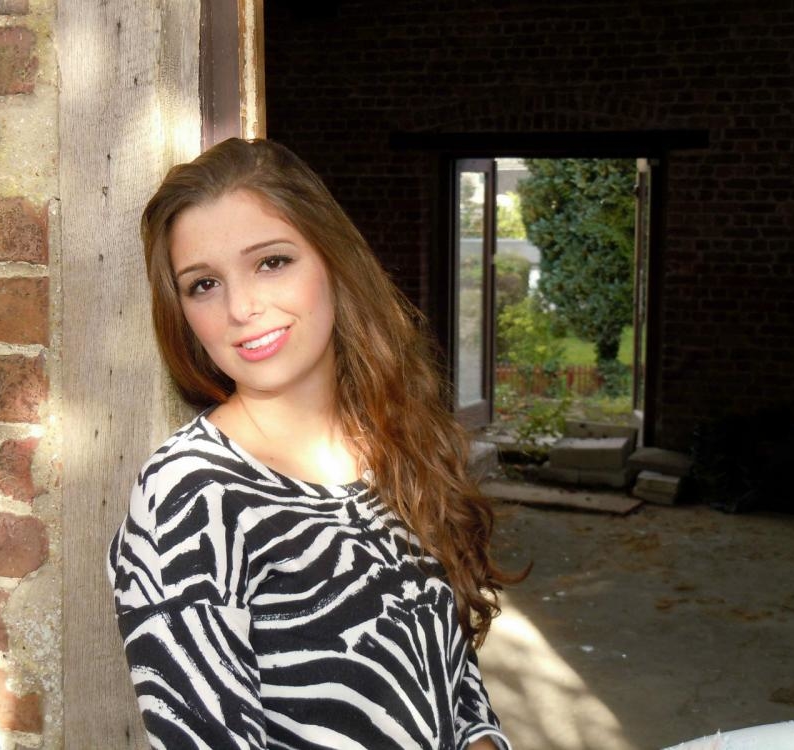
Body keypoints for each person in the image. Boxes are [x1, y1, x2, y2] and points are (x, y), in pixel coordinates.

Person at [108, 137, 518, 750]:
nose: (241, 308)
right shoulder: (189, 496)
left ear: (333, 261)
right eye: (204, 284)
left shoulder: (394, 444)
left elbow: (453, 687)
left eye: (271, 262)